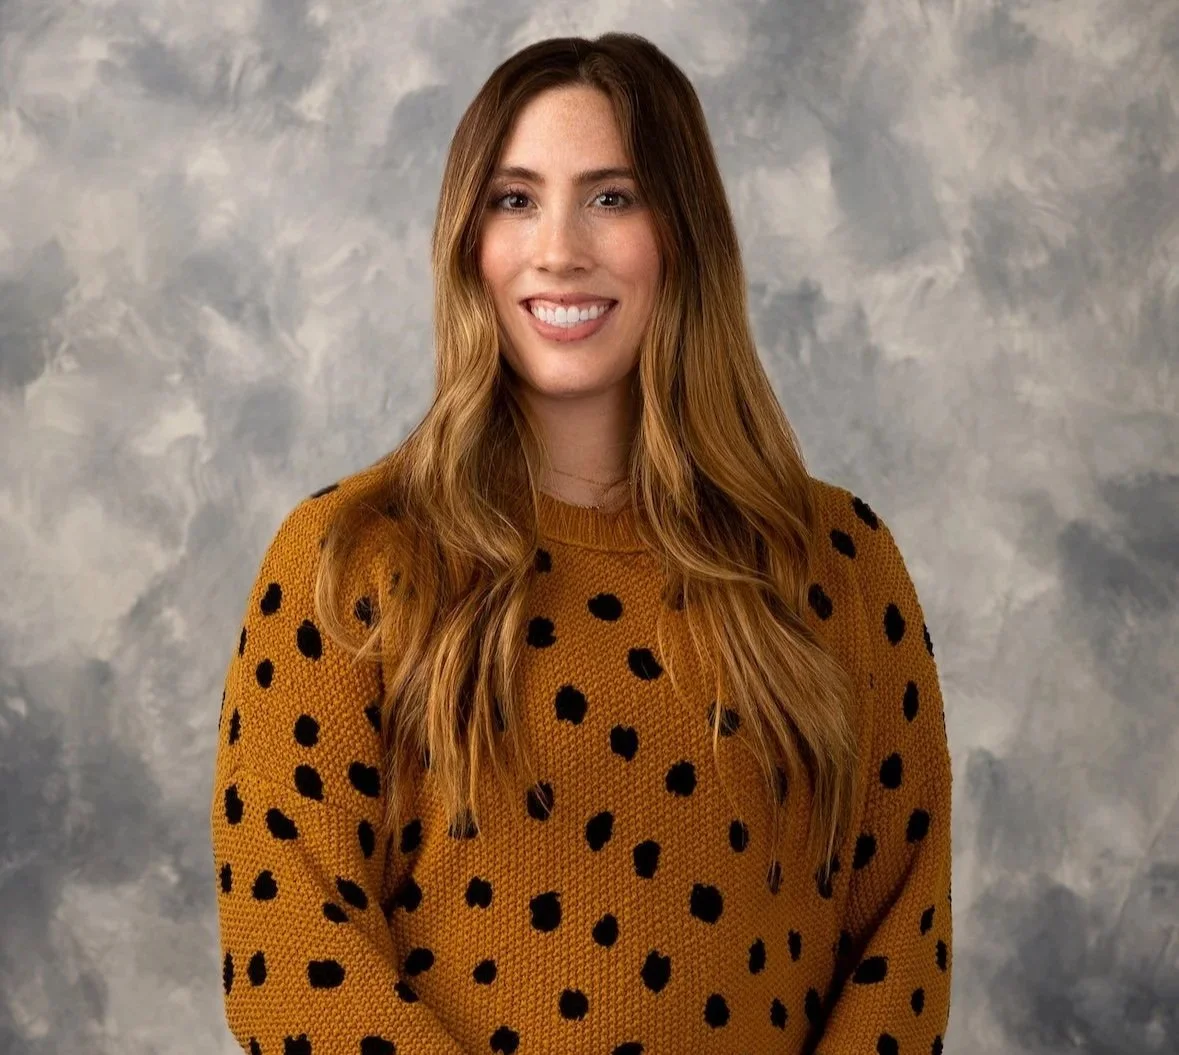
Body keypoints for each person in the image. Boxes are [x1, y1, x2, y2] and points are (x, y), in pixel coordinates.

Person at [210, 31, 952, 1055]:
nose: (559, 247)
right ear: (469, 239)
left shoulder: (837, 564)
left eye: (611, 196)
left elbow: (898, 946)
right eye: (515, 198)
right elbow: (290, 944)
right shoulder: (350, 561)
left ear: (683, 234)